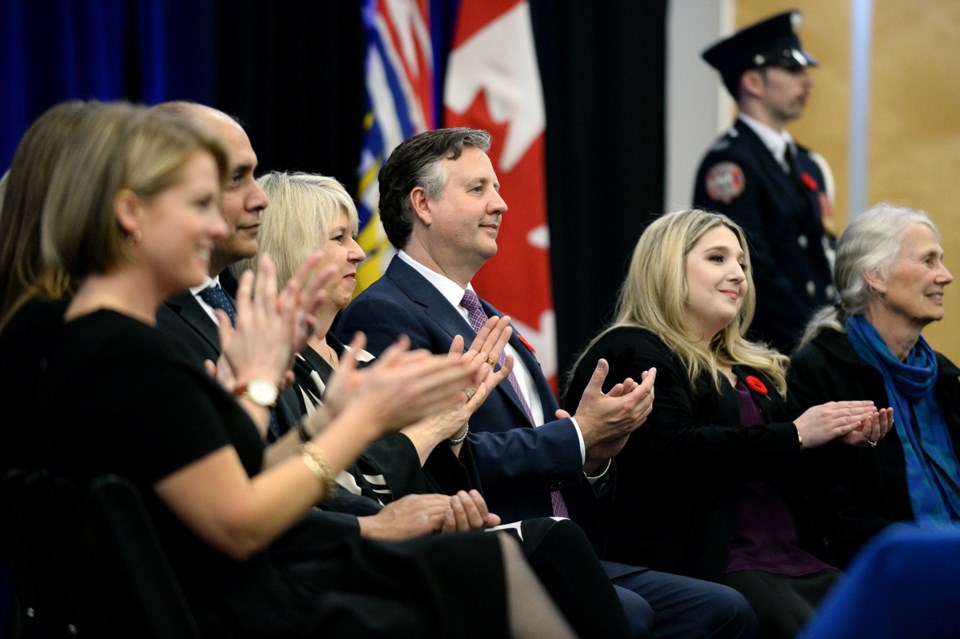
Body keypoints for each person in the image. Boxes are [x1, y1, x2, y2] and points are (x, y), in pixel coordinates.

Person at [22, 102, 578, 638]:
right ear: (130, 213)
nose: (218, 227)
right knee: (487, 571)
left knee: (491, 562)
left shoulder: (104, 338)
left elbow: (236, 476)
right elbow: (239, 522)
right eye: (198, 205)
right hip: (236, 606)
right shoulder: (124, 350)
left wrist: (322, 421)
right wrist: (354, 422)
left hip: (235, 589)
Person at [337, 128, 759, 639]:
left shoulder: (487, 318)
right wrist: (576, 434)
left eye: (496, 187)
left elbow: (552, 451)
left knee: (724, 610)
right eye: (478, 190)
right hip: (494, 547)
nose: (501, 204)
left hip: (571, 545)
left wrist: (596, 453)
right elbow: (426, 462)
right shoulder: (386, 313)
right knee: (634, 615)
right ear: (422, 204)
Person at [241, 169, 635, 638]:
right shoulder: (272, 363)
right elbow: (351, 483)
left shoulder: (361, 359)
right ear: (296, 249)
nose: (358, 251)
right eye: (339, 237)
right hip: (337, 559)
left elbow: (417, 477)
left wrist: (454, 442)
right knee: (559, 549)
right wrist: (438, 427)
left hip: (413, 539)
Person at [564, 209, 890, 639]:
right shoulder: (633, 350)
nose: (738, 274)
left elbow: (783, 468)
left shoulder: (755, 366)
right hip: (708, 566)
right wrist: (796, 434)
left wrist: (838, 442)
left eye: (742, 263)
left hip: (796, 557)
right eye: (717, 259)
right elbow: (672, 453)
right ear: (666, 269)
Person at [790, 204, 960, 567]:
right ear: (876, 277)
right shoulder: (820, 370)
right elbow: (829, 514)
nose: (945, 276)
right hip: (891, 566)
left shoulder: (944, 377)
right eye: (928, 261)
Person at [693, 10, 835, 354]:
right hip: (762, 349)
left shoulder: (807, 164)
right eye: (792, 70)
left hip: (809, 343)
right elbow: (752, 270)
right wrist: (817, 337)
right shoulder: (730, 166)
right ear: (754, 83)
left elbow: (822, 252)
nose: (808, 81)